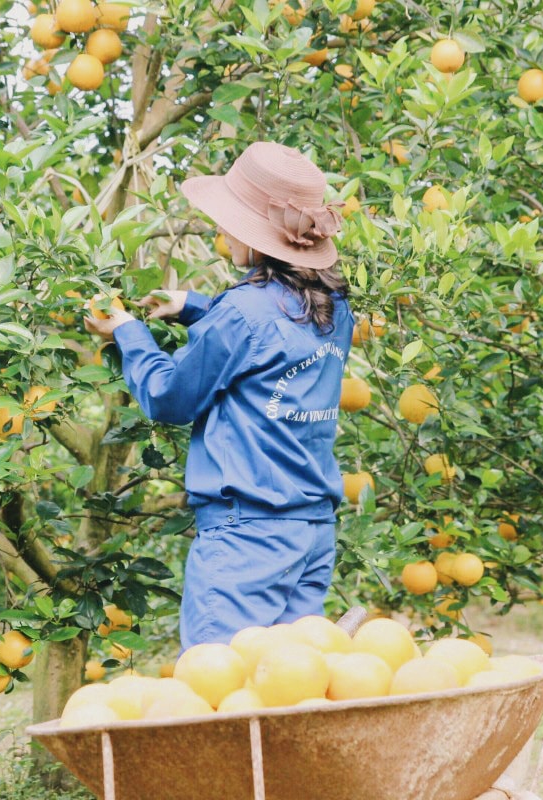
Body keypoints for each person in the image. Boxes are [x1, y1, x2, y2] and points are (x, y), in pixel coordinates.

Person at [84, 141, 354, 650]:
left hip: (247, 537)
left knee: (221, 689)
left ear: (258, 236)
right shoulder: (336, 309)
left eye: (229, 221)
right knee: (289, 686)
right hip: (311, 532)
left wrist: (126, 331)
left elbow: (169, 399)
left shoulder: (242, 313)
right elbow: (273, 346)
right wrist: (194, 307)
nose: (220, 231)